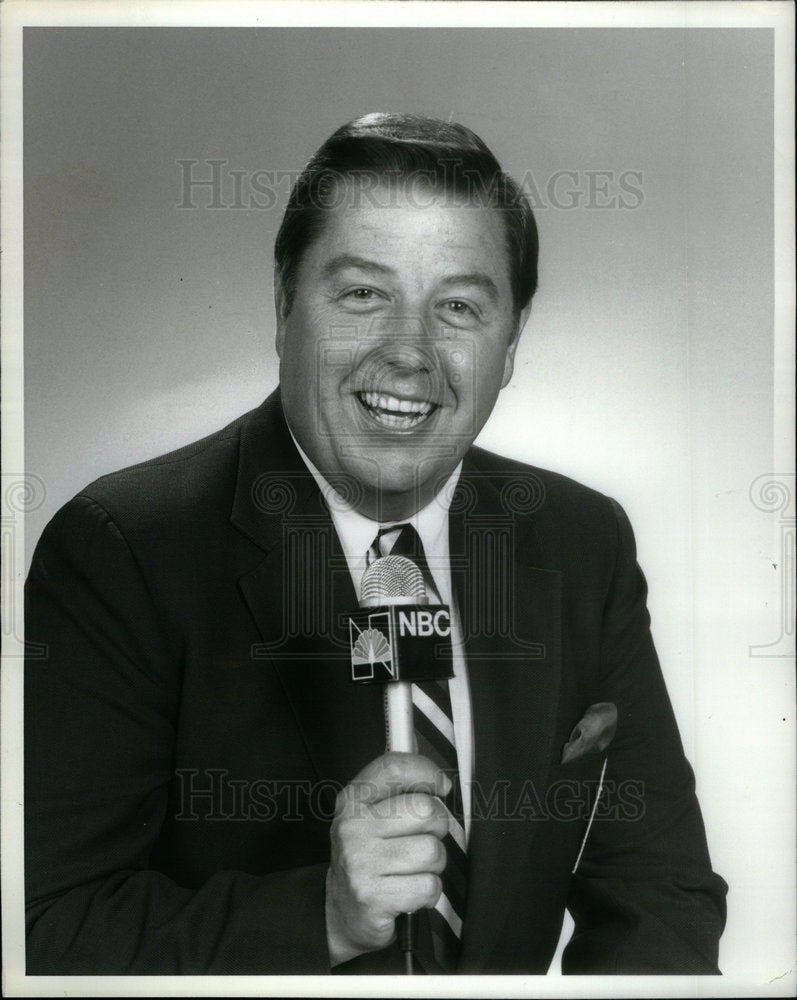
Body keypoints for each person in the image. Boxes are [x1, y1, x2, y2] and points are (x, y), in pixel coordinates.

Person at [24, 113, 727, 975]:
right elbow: (44, 928)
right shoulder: (123, 552)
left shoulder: (581, 542)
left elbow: (659, 893)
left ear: (512, 341)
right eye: (363, 295)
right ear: (284, 301)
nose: (409, 352)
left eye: (459, 307)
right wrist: (320, 915)